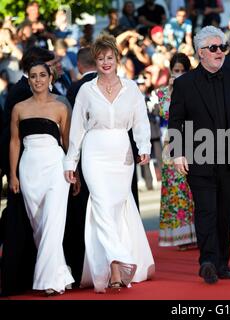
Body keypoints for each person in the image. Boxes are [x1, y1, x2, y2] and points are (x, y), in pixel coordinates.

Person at [168, 26, 230, 284]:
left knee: (225, 213)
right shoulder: (184, 84)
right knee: (206, 211)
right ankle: (208, 261)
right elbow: (176, 120)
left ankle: (223, 262)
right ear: (201, 52)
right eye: (213, 48)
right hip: (199, 156)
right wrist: (177, 153)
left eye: (222, 47)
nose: (219, 52)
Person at [64, 34, 155, 293]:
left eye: (110, 58)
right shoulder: (86, 90)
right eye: (101, 58)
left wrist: (144, 147)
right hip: (94, 152)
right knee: (102, 204)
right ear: (96, 61)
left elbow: (140, 121)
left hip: (122, 153)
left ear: (117, 59)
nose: (105, 62)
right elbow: (77, 129)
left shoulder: (131, 88)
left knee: (115, 207)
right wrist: (71, 161)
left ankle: (115, 262)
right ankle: (117, 265)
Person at [9, 61, 75, 296]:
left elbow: (68, 143)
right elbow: (15, 142)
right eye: (34, 76)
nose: (38, 80)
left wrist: (73, 171)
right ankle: (61, 273)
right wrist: (13, 174)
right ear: (29, 80)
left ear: (50, 78)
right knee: (39, 225)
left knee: (52, 223)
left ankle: (49, 281)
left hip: (56, 167)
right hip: (29, 168)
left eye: (42, 75)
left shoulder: (60, 107)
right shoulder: (19, 108)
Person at [63, 47, 97, 285]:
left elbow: (73, 130)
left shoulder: (75, 88)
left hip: (85, 156)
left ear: (81, 65)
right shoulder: (115, 82)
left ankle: (83, 266)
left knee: (82, 213)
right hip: (104, 157)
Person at [158, 53, 196, 250]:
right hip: (171, 147)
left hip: (192, 143)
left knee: (191, 190)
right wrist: (173, 90)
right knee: (175, 192)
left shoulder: (194, 89)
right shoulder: (163, 93)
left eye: (183, 71)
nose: (179, 74)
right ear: (171, 72)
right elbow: (166, 114)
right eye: (176, 71)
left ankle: (196, 233)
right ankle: (180, 237)